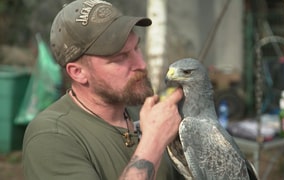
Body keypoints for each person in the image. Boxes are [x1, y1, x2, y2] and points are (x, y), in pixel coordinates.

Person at [22, 0, 184, 179]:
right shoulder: (51, 136)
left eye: (137, 47)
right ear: (78, 72)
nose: (141, 64)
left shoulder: (144, 115)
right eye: (120, 57)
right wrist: (154, 141)